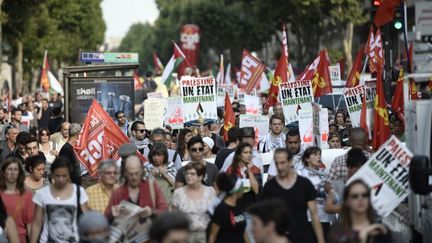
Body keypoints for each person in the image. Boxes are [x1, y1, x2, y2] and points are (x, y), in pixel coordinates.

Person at [261, 148, 325, 243]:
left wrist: (321, 240)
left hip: (302, 236)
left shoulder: (304, 184)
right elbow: (266, 217)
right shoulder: (270, 187)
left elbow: (314, 214)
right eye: (277, 163)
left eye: (283, 162)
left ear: (290, 162)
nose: (279, 167)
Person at [30, 157, 89, 243]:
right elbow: (37, 223)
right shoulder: (42, 193)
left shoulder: (79, 192)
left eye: (64, 176)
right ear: (52, 174)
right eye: (57, 176)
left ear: (69, 174)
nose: (61, 179)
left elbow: (85, 219)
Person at [105, 155, 168, 221]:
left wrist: (152, 212)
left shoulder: (151, 187)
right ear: (125, 173)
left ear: (142, 171)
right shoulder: (118, 192)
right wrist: (111, 214)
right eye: (130, 174)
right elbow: (106, 218)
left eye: (137, 173)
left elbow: (165, 211)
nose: (134, 177)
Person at [171, 162, 216, 242]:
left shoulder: (210, 191)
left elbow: (216, 216)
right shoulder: (179, 193)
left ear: (200, 176)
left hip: (205, 234)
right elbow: (174, 217)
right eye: (187, 173)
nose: (188, 176)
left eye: (192, 174)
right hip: (185, 236)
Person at [296, 147, 335, 239]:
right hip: (309, 218)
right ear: (306, 158)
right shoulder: (301, 173)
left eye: (319, 154)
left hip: (326, 218)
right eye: (315, 154)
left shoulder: (326, 172)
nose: (319, 157)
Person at [0, 157, 34, 243]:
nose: (12, 173)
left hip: (20, 239)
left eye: (15, 169)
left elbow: (30, 223)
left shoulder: (27, 195)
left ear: (19, 173)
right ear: (3, 172)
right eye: (9, 169)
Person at [208, 173, 248, 243]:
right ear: (236, 190)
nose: (243, 190)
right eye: (242, 187)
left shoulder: (239, 206)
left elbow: (243, 232)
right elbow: (212, 235)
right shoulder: (221, 209)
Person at [325, 148, 368, 214]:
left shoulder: (368, 185)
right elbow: (328, 207)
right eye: (357, 170)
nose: (360, 173)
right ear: (349, 167)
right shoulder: (337, 184)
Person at [227, 143, 261, 211]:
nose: (249, 155)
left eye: (250, 152)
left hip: (252, 206)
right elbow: (229, 190)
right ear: (239, 155)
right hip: (236, 206)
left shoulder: (255, 170)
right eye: (245, 152)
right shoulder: (231, 169)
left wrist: (249, 170)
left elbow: (256, 190)